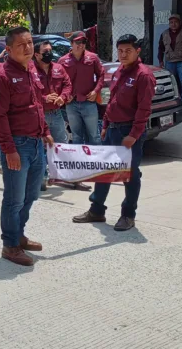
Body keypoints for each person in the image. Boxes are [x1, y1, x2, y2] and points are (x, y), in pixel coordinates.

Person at [73, 34, 156, 231]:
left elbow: (144, 110)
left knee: (130, 174)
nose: (123, 54)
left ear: (138, 51)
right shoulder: (120, 70)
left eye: (128, 51)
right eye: (120, 51)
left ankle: (128, 215)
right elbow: (112, 100)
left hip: (129, 131)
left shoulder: (143, 75)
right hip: (112, 129)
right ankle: (97, 210)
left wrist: (133, 135)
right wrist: (105, 125)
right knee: (105, 171)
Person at [0, 27, 54, 267]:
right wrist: (9, 150)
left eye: (29, 43)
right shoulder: (2, 76)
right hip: (17, 145)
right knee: (14, 199)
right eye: (21, 45)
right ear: (8, 49)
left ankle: (19, 234)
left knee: (31, 194)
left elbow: (36, 104)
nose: (27, 48)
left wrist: (45, 131)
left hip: (36, 143)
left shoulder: (32, 70)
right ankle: (10, 245)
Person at [33, 41, 86, 191]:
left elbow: (68, 85)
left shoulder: (58, 68)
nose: (49, 54)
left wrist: (63, 96)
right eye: (45, 52)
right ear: (36, 55)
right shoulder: (30, 70)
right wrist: (44, 98)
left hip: (56, 114)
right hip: (39, 115)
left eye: (50, 50)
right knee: (40, 148)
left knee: (62, 146)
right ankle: (42, 178)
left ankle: (70, 177)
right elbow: (27, 91)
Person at [58, 31, 104, 146]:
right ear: (71, 43)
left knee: (94, 135)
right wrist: (64, 95)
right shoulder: (63, 61)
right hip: (71, 104)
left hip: (89, 102)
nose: (81, 45)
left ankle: (96, 157)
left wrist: (96, 91)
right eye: (78, 42)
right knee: (76, 136)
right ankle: (80, 157)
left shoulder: (93, 58)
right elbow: (58, 81)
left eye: (83, 42)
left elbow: (101, 75)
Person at [158, 13, 182, 109]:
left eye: (175, 22)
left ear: (180, 22)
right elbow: (161, 48)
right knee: (170, 81)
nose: (173, 24)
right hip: (169, 61)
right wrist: (160, 60)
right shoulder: (164, 33)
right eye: (171, 22)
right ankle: (171, 98)